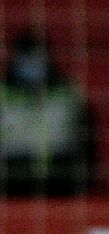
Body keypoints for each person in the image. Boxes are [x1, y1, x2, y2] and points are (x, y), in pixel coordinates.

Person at [0, 30, 97, 197]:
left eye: (37, 56)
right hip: (10, 182)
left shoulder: (66, 93)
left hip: (59, 182)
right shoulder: (2, 94)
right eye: (27, 56)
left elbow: (87, 138)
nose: (32, 63)